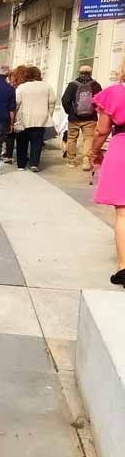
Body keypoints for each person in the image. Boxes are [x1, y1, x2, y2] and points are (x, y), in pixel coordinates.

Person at [90, 58, 125, 286]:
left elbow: (102, 130)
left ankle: (124, 266)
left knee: (123, 212)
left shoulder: (116, 93)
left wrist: (94, 152)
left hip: (122, 148)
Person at [14, 66, 55, 172]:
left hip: (24, 118)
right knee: (36, 142)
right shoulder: (47, 87)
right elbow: (52, 102)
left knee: (22, 142)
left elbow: (16, 103)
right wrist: (48, 114)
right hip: (41, 118)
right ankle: (34, 163)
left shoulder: (22, 87)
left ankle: (21, 164)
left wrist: (14, 117)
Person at [62, 65, 103, 171]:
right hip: (90, 118)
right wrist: (94, 110)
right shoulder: (96, 85)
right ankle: (86, 159)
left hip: (74, 118)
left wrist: (69, 111)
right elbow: (100, 100)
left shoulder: (72, 85)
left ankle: (71, 161)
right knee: (88, 138)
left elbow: (65, 100)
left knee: (72, 138)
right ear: (91, 73)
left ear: (79, 72)